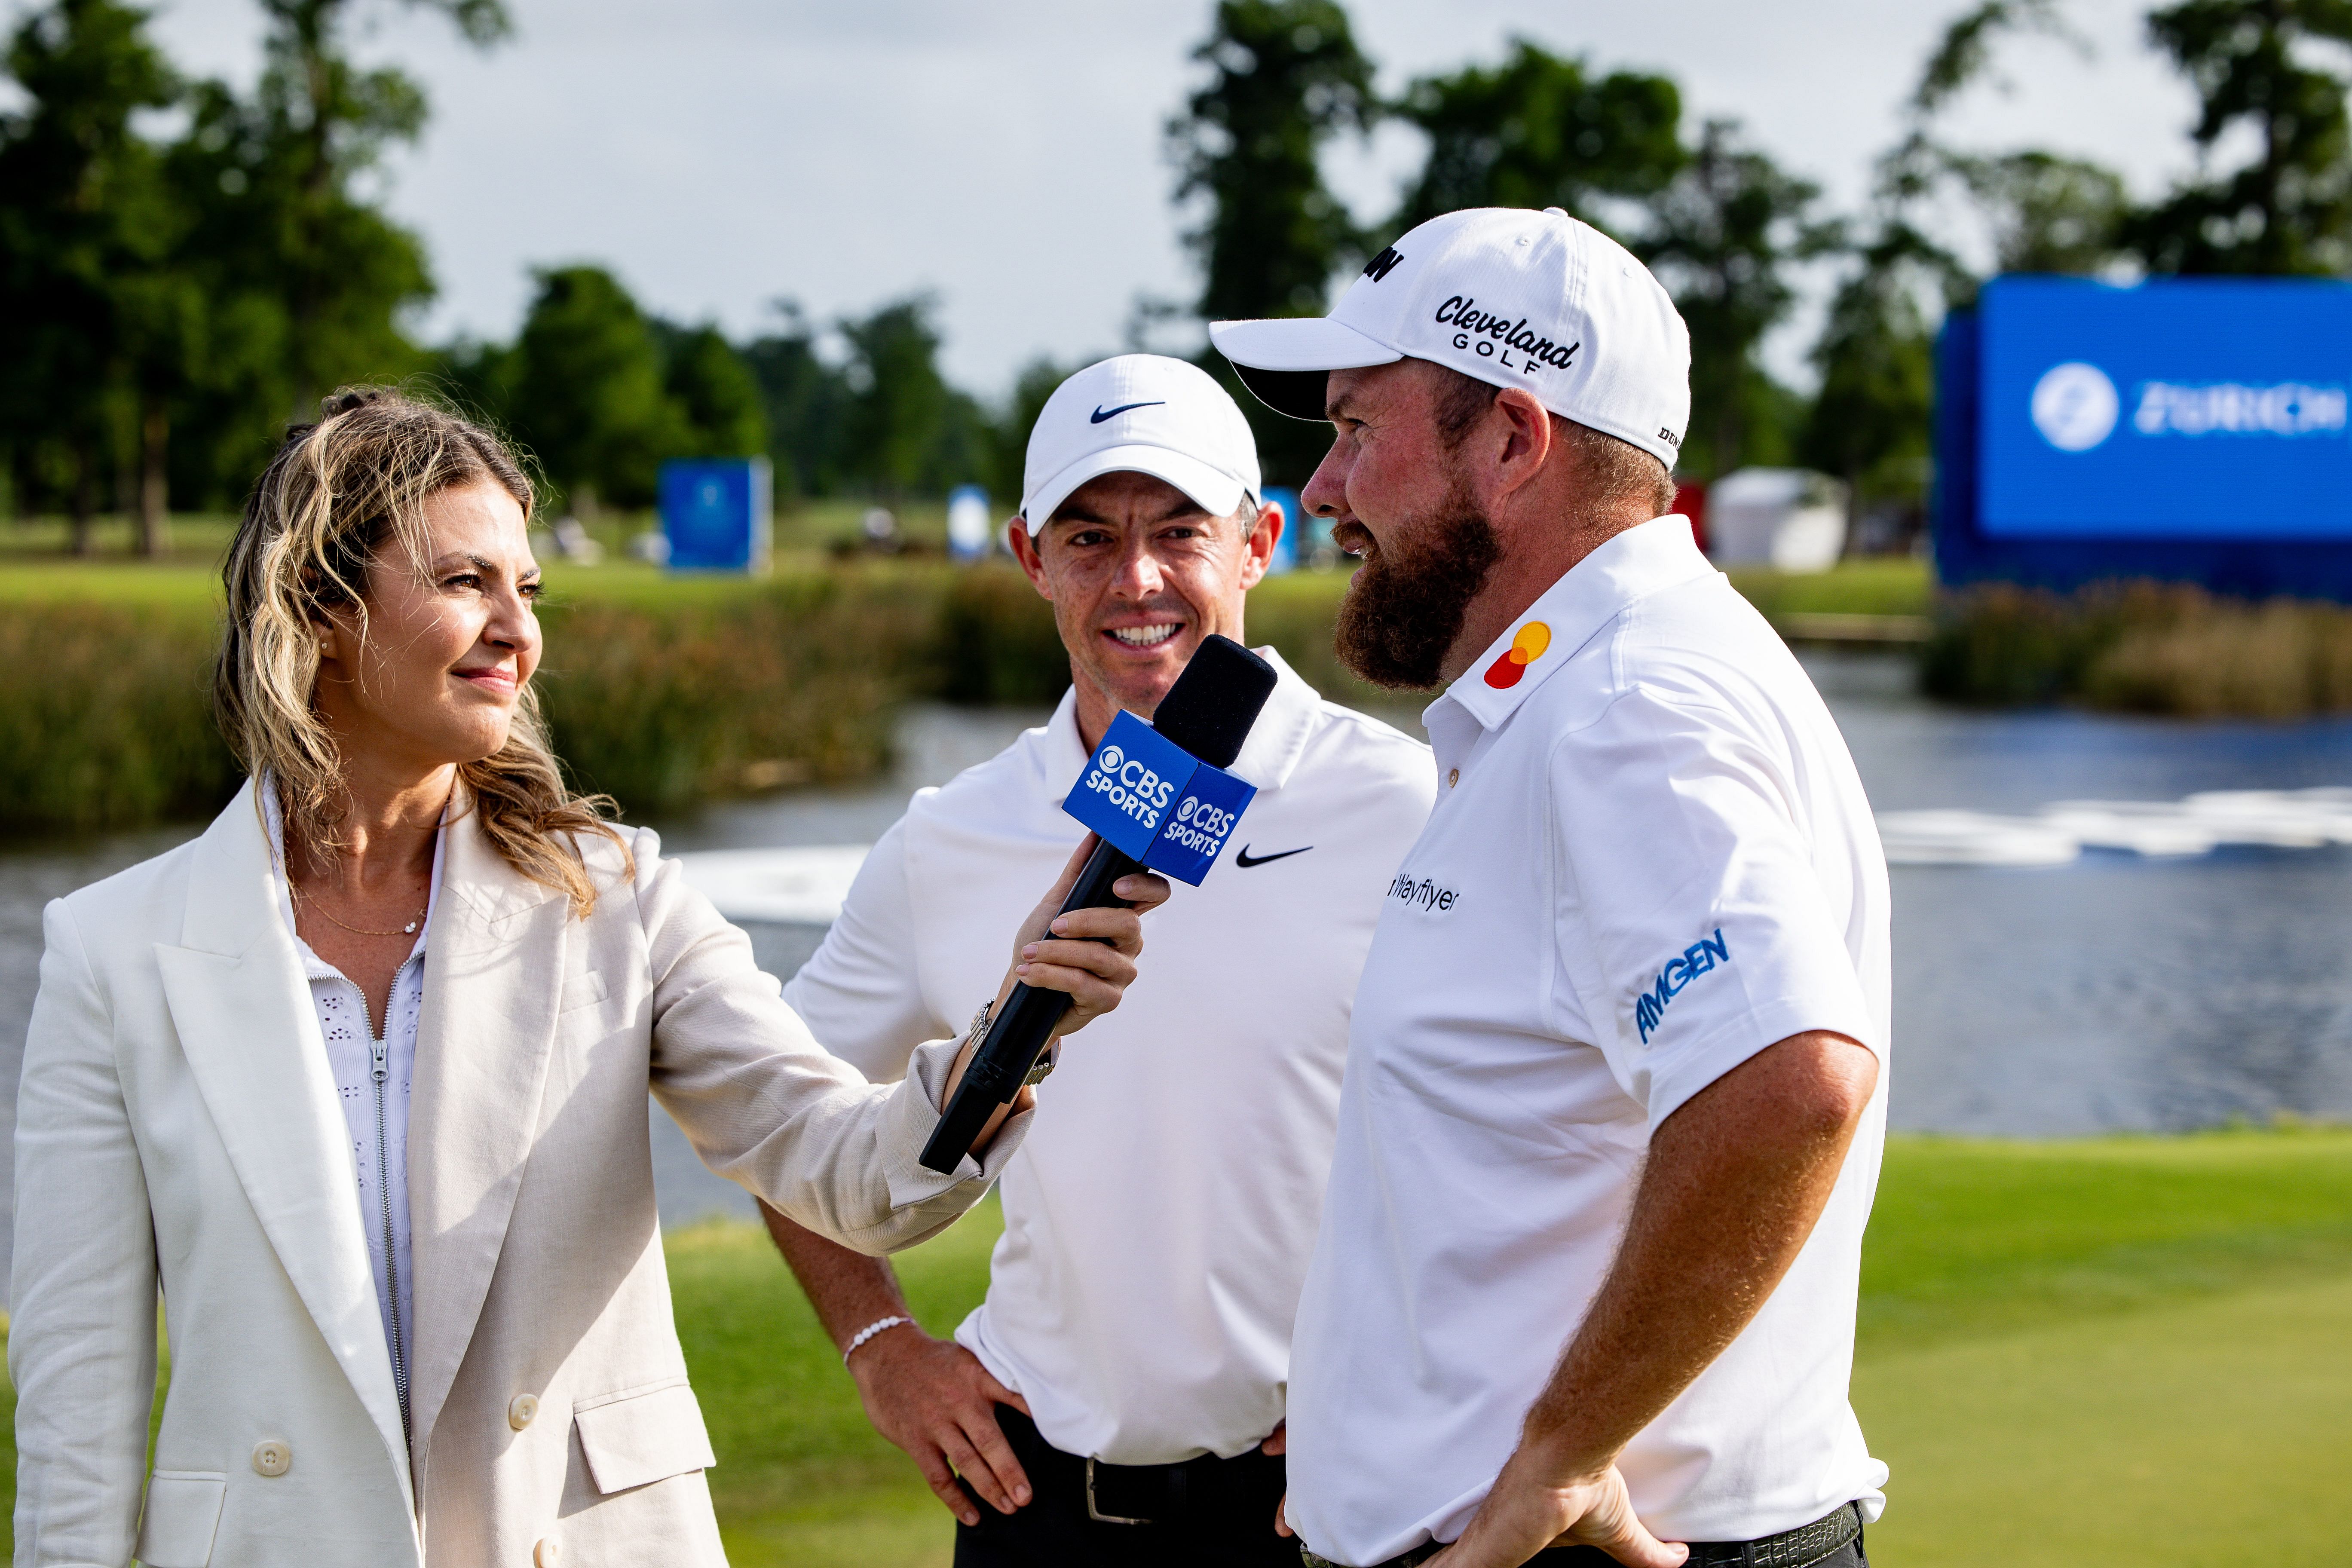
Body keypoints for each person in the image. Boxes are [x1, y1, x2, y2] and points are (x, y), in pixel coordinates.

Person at [9, 390, 1168, 1568]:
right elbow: (77, 1407)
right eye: (466, 582)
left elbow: (846, 1173)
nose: (519, 629)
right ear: (319, 607)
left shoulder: (618, 902)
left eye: (530, 590)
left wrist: (1012, 1032)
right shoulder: (115, 952)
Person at [1210, 207, 1891, 1568]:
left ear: (1512, 442)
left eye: (1356, 430)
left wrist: (1562, 1454)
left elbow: (1789, 1085)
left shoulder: (1627, 709)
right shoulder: (1592, 685)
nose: (1323, 492)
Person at [757, 353, 1435, 1567]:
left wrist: (1441, 1373)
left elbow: (1554, 1125)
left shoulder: (1404, 800)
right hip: (1042, 1512)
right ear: (1029, 557)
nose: (1137, 581)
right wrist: (883, 1349)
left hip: (1326, 1501)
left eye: (1180, 532)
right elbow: (773, 1111)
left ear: (1260, 541)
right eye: (1088, 537)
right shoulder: (952, 834)